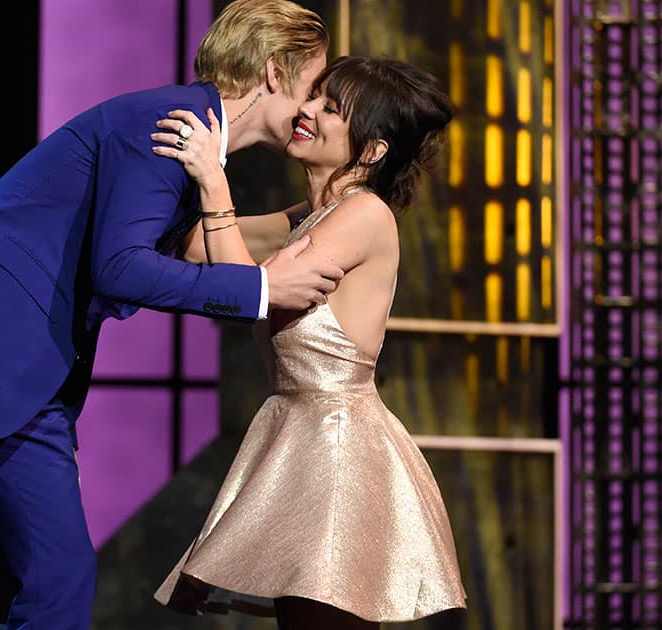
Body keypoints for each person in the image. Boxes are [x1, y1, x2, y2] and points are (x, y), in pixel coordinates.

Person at [0, 2, 342, 628]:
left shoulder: (198, 150)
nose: (310, 108)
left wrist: (331, 208)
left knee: (61, 581)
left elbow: (190, 243)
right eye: (312, 87)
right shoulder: (170, 122)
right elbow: (123, 267)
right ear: (276, 71)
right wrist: (262, 292)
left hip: (29, 381)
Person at [150, 55, 467, 627]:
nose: (308, 111)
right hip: (301, 436)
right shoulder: (314, 215)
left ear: (370, 151)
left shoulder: (365, 214)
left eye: (331, 108)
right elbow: (202, 247)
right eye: (315, 96)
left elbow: (247, 287)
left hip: (338, 450)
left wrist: (214, 180)